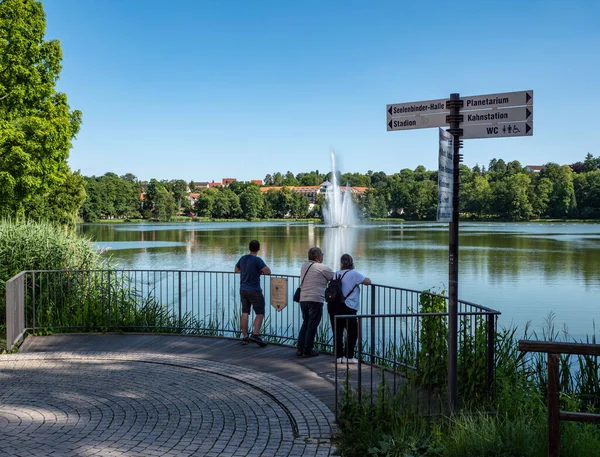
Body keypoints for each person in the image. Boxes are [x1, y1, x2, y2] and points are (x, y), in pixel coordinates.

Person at [328, 253, 371, 363]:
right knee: (353, 331)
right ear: (351, 262)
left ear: (341, 263)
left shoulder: (336, 274)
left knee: (338, 331)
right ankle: (349, 357)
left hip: (334, 305)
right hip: (348, 306)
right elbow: (367, 282)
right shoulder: (354, 274)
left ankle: (338, 357)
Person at [297, 247, 334, 357]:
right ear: (318, 257)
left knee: (306, 323)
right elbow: (335, 276)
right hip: (315, 299)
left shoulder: (304, 266)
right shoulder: (323, 267)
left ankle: (300, 348)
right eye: (322, 254)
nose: (323, 256)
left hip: (303, 298)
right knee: (312, 324)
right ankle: (308, 350)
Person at [234, 240, 271, 347]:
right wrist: (258, 272)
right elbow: (268, 271)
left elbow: (236, 269)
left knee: (245, 312)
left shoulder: (243, 258)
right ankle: (255, 334)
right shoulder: (257, 260)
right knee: (260, 313)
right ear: (258, 248)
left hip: (243, 289)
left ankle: (245, 337)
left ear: (249, 248)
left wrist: (245, 272)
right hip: (254, 290)